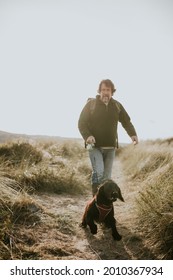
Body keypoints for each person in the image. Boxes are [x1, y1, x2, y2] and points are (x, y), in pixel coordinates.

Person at [78, 79, 138, 196]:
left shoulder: (117, 105)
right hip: (94, 146)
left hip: (110, 147)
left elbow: (126, 122)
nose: (105, 92)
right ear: (99, 91)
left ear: (112, 92)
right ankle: (95, 197)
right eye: (103, 90)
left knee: (106, 178)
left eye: (108, 90)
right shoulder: (91, 105)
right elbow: (81, 123)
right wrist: (88, 136)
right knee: (98, 173)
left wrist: (133, 134)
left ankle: (103, 201)